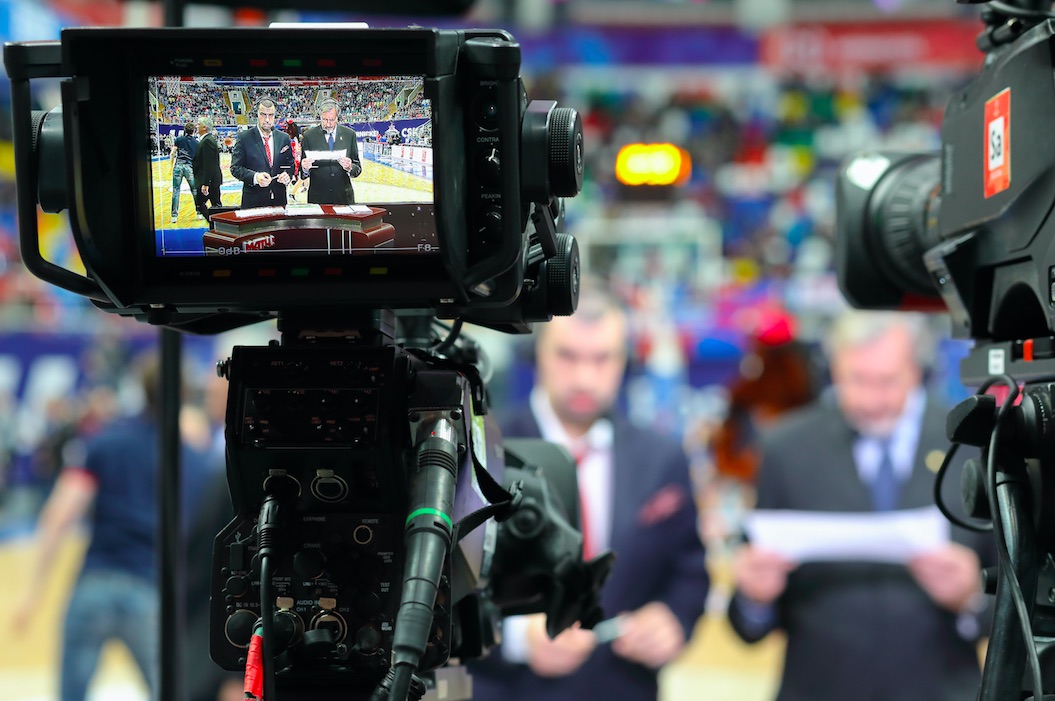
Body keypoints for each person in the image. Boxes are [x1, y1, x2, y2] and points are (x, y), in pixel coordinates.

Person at [727, 311, 993, 701]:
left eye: (887, 381)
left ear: (918, 370)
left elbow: (1018, 593)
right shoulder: (786, 448)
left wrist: (972, 598)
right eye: (855, 379)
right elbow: (749, 624)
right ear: (833, 368)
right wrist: (754, 597)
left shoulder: (972, 444)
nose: (871, 399)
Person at [469, 281, 708, 701]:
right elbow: (445, 582)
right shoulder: (484, 449)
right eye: (568, 356)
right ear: (537, 353)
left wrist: (674, 618)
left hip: (624, 686)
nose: (584, 377)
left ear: (624, 361)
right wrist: (517, 639)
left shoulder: (663, 458)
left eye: (603, 359)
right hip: (509, 690)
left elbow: (690, 567)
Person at [10, 355, 212, 701]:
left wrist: (32, 592)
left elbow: (60, 513)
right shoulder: (194, 461)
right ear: (183, 395)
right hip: (153, 592)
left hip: (95, 583)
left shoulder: (106, 443)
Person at [229, 98, 295, 209]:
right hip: (253, 201)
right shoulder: (244, 138)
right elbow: (235, 168)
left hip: (279, 201)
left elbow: (289, 164)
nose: (267, 119)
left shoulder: (284, 138)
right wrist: (255, 177)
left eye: (271, 115)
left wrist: (287, 174)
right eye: (263, 115)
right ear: (257, 115)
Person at [300, 99, 362, 205]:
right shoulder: (309, 136)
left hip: (343, 198)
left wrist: (349, 167)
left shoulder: (349, 135)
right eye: (325, 119)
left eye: (332, 120)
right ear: (320, 117)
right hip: (318, 199)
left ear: (338, 118)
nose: (328, 124)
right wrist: (304, 168)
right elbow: (302, 174)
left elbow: (358, 169)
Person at [192, 115, 223, 220]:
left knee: (203, 204)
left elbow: (209, 164)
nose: (196, 126)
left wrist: (206, 183)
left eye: (199, 124)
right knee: (216, 205)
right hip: (211, 180)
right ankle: (217, 225)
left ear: (204, 127)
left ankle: (215, 224)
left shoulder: (207, 141)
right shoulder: (207, 140)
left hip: (209, 181)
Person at [170, 123, 198, 223]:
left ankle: (174, 216)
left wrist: (171, 166)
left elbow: (173, 153)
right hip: (189, 167)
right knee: (194, 190)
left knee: (176, 191)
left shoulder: (179, 139)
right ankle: (199, 212)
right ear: (193, 131)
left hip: (178, 166)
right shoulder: (196, 142)